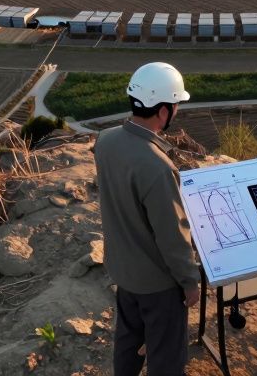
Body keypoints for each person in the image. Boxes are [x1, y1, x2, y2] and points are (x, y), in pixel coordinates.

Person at [95, 61, 201, 376]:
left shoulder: (106, 141)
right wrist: (189, 281)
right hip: (158, 284)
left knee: (128, 340)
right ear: (164, 111)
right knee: (166, 357)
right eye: (176, 105)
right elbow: (172, 235)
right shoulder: (157, 167)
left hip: (124, 271)